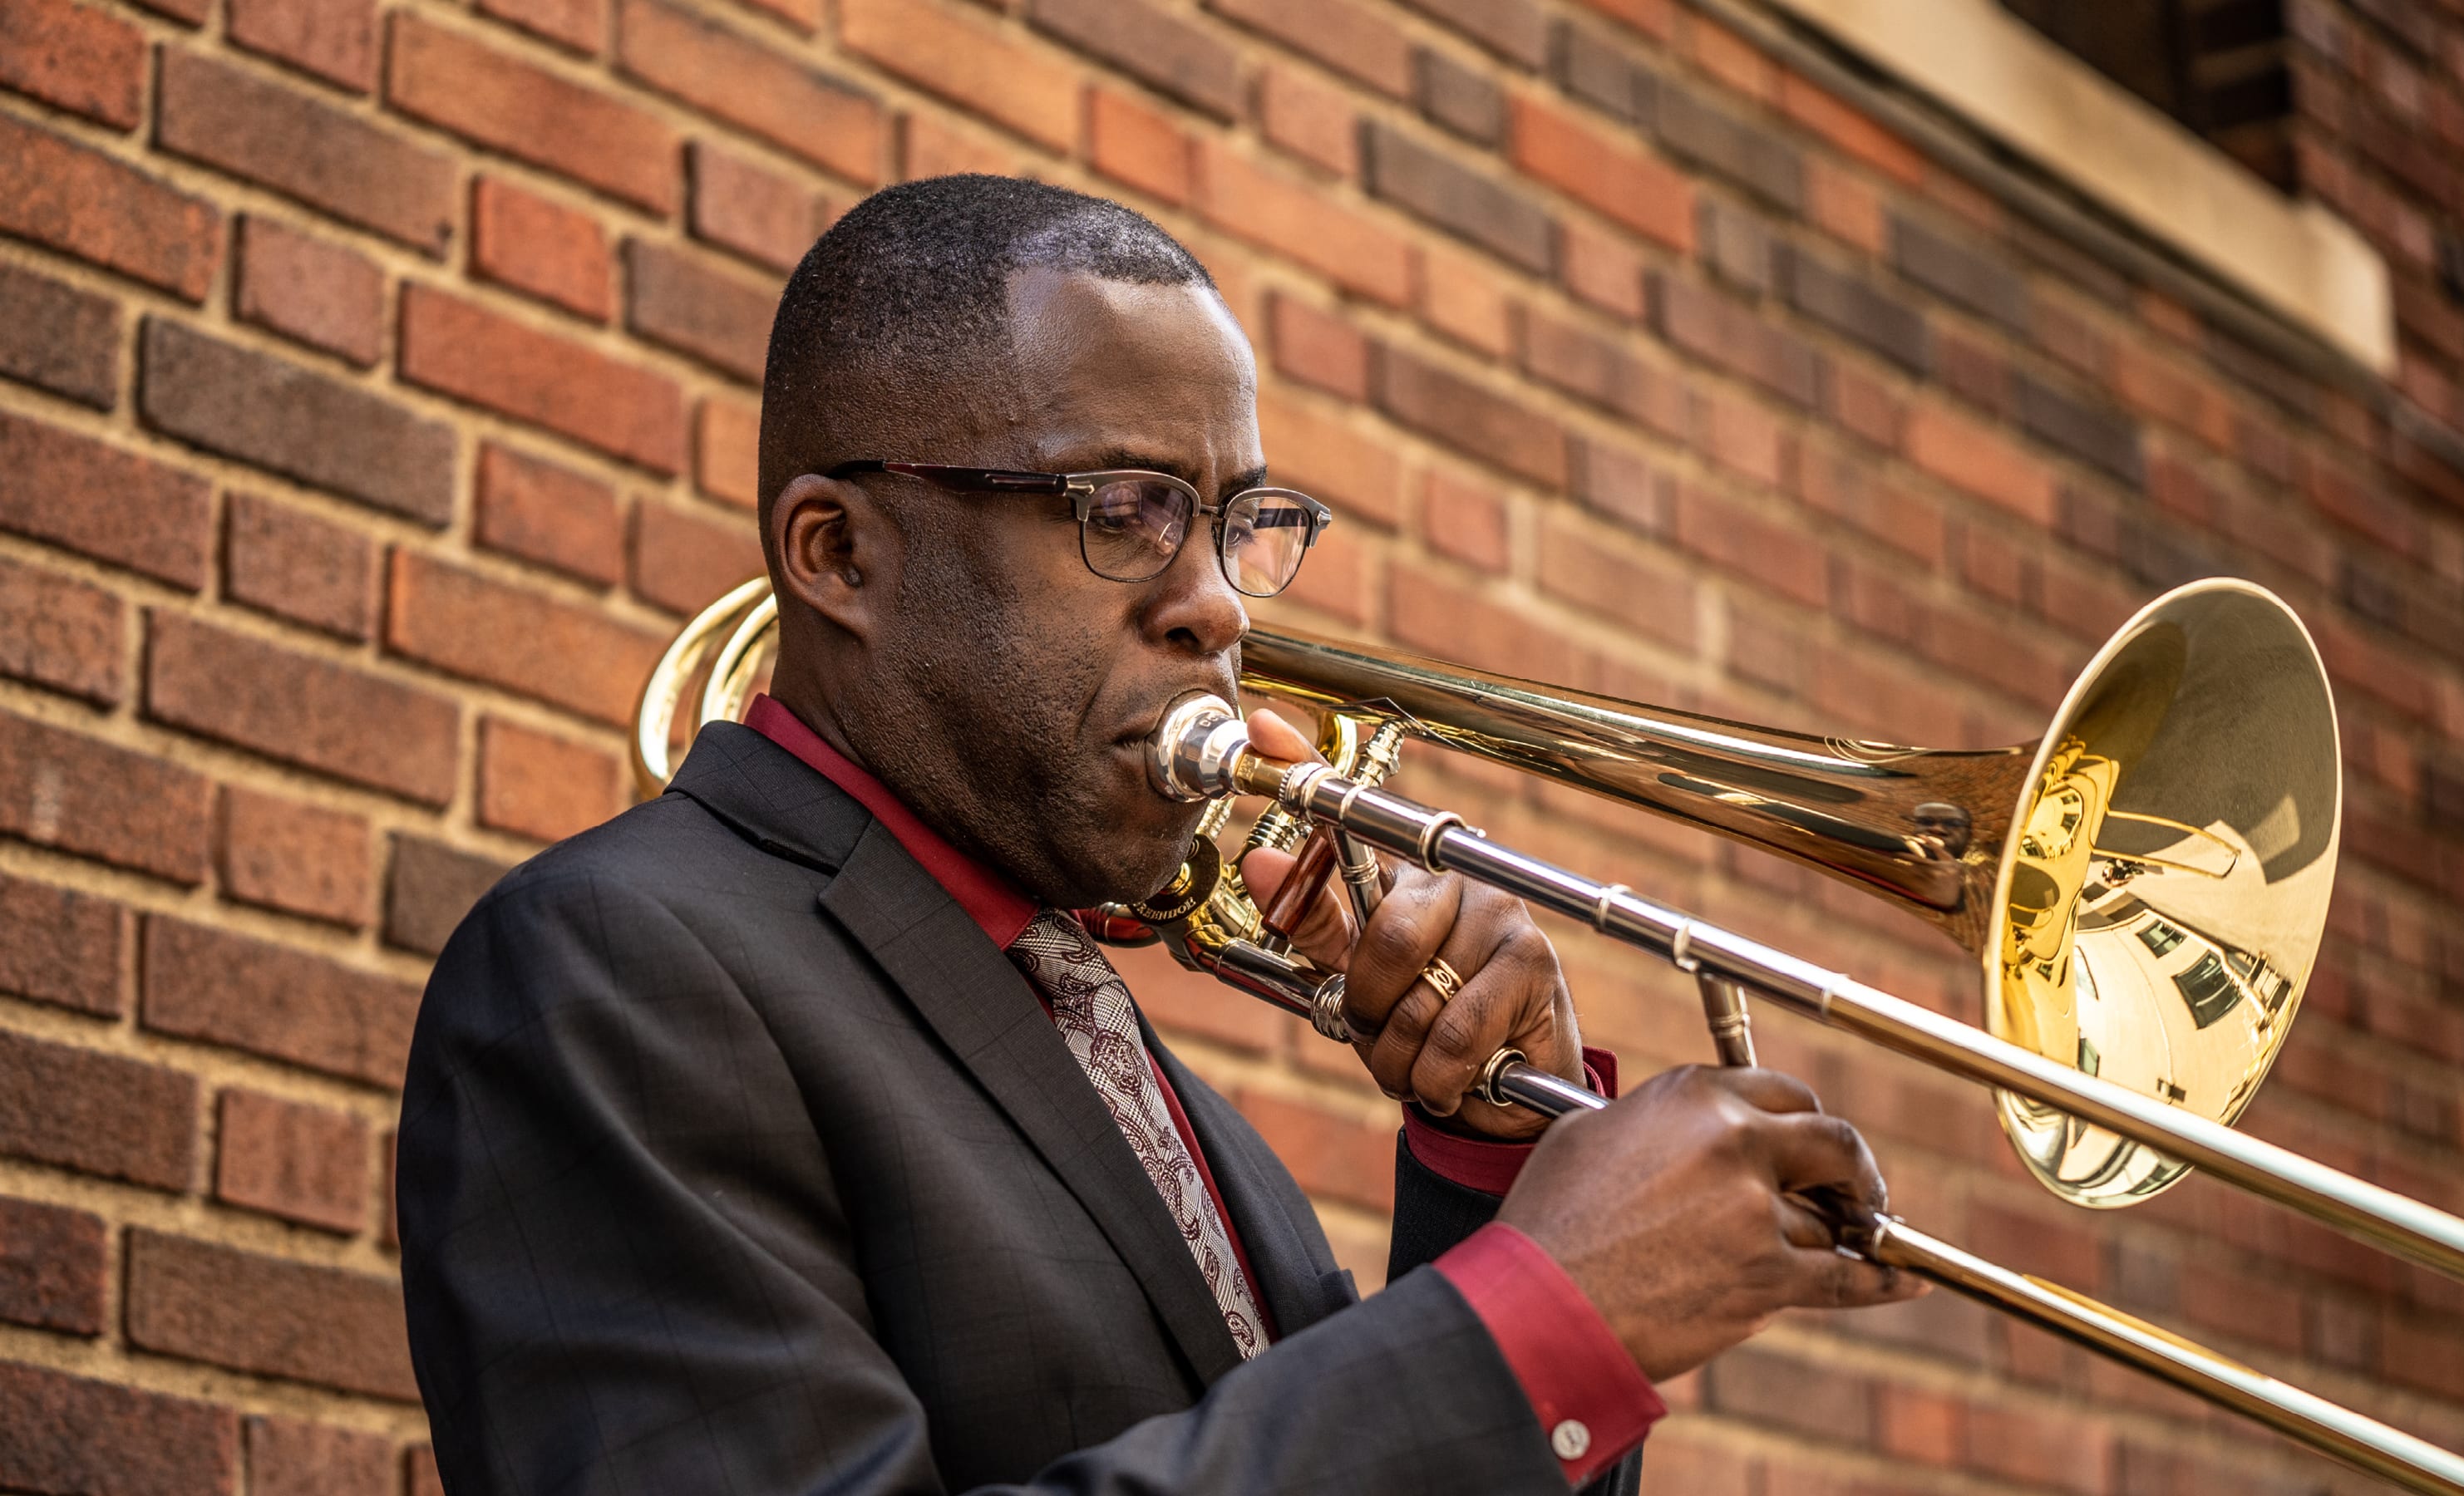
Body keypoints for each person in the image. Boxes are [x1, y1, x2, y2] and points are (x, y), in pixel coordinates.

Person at [396, 175, 1924, 1496]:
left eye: (1233, 521)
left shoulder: (1132, 1070)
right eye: (1118, 509)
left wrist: (1490, 1170)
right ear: (840, 552)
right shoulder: (611, 969)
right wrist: (1538, 1316)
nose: (1217, 604)